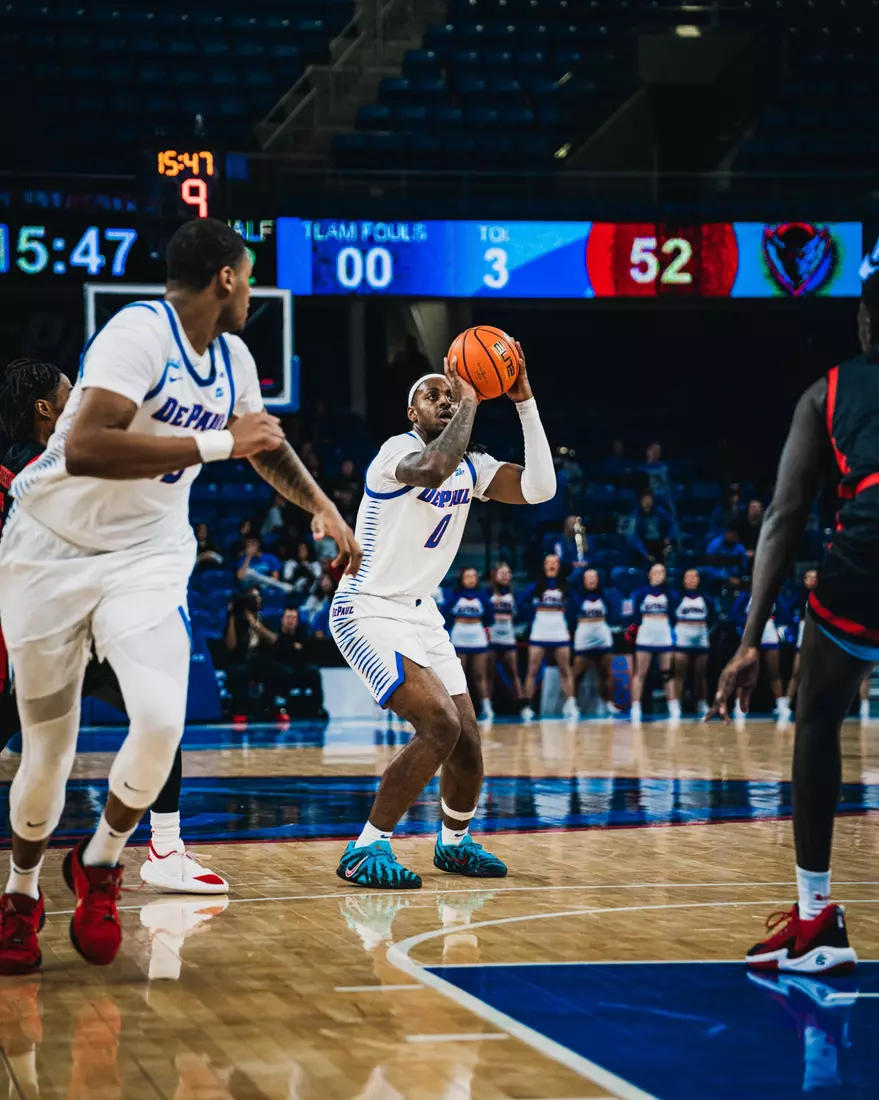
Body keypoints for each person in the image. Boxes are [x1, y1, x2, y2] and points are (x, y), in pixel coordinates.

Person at [0, 218, 359, 976]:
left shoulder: (232, 356)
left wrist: (319, 506)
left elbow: (263, 440)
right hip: (49, 551)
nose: (253, 289)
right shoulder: (137, 333)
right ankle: (22, 892)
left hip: (145, 555)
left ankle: (99, 866)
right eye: (249, 274)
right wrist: (219, 444)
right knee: (46, 758)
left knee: (162, 717)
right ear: (224, 277)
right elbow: (91, 447)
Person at [0, 359, 229, 899]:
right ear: (46, 409)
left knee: (161, 718)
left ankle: (164, 851)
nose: (80, 398)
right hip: (43, 638)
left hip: (94, 633)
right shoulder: (48, 473)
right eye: (70, 392)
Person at [329, 342, 555, 887]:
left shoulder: (471, 468)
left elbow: (540, 488)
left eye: (452, 394)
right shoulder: (396, 454)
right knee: (438, 724)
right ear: (413, 413)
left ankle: (453, 843)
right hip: (366, 608)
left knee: (469, 740)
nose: (448, 401)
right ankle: (366, 847)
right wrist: (473, 396)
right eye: (435, 395)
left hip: (420, 612)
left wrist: (524, 401)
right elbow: (433, 467)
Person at [706, 274, 879, 974]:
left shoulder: (826, 392)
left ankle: (815, 919)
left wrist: (748, 643)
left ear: (865, 326)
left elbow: (782, 518)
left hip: (865, 554)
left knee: (817, 724)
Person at [520, 554, 577, 722]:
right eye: (548, 562)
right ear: (544, 566)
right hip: (540, 631)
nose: (551, 565)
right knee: (532, 669)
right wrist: (533, 615)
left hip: (559, 631)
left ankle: (571, 704)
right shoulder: (536, 586)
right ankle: (526, 705)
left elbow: (578, 604)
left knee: (565, 669)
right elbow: (520, 603)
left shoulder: (565, 586)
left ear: (559, 566)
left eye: (555, 563)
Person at [728, 589, 789, 721]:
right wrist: (749, 620)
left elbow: (785, 614)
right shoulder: (745, 595)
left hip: (769, 631)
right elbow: (733, 614)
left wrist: (779, 625)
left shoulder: (773, 594)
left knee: (774, 671)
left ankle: (780, 704)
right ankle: (739, 705)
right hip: (750, 632)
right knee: (744, 671)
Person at [630, 562, 679, 723]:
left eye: (661, 572)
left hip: (664, 634)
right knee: (640, 672)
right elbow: (635, 616)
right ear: (649, 574)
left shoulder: (670, 594)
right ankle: (635, 707)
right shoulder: (640, 594)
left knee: (667, 673)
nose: (658, 575)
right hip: (646, 634)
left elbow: (673, 614)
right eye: (655, 572)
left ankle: (673, 706)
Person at [446, 567, 493, 722]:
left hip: (477, 634)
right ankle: (457, 709)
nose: (471, 579)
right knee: (460, 674)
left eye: (474, 576)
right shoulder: (455, 595)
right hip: (460, 635)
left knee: (480, 674)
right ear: (462, 578)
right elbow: (446, 613)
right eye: (468, 576)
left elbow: (490, 616)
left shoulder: (482, 595)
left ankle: (486, 707)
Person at [570, 569, 620, 717]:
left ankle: (607, 703)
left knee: (605, 674)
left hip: (602, 637)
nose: (591, 580)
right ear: (583, 580)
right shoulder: (577, 596)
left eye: (594, 577)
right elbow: (572, 616)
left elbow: (612, 614)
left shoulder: (606, 596)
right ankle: (572, 704)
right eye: (588, 578)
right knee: (577, 673)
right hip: (584, 638)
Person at [673, 567, 715, 719]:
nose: (691, 579)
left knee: (700, 674)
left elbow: (713, 618)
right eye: (688, 577)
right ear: (683, 580)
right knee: (679, 674)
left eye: (694, 577)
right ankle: (676, 705)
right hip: (682, 638)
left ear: (699, 580)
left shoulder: (706, 598)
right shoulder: (676, 597)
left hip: (701, 638)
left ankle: (702, 704)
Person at [486, 562, 525, 714]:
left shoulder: (514, 592)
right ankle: (487, 707)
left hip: (508, 637)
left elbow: (520, 610)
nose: (505, 576)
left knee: (514, 673)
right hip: (492, 637)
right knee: (489, 673)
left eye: (508, 573)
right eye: (501, 572)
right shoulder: (488, 591)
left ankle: (523, 706)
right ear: (495, 574)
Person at [785, 569, 818, 706]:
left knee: (818, 673)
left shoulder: (825, 597)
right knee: (797, 670)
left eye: (814, 577)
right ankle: (785, 703)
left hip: (820, 637)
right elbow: (788, 612)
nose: (811, 580)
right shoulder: (799, 596)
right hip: (803, 635)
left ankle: (816, 704)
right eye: (808, 577)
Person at [627, 490, 675, 566]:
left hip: (659, 545)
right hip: (643, 547)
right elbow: (632, 536)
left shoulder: (660, 511)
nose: (647, 502)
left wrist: (669, 537)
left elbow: (672, 523)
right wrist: (644, 552)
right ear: (640, 501)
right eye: (645, 499)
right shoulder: (635, 515)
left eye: (649, 499)